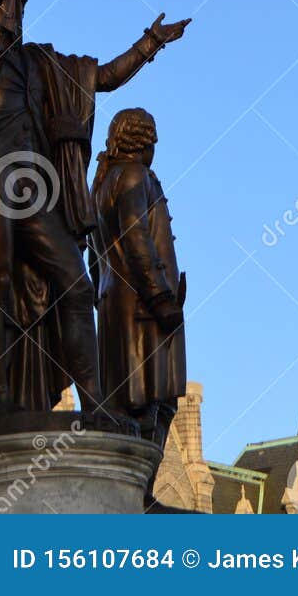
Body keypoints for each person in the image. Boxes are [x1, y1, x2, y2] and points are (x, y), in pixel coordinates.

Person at [0, 0, 190, 428]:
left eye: (19, 6)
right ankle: (1, 407)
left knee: (76, 287)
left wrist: (150, 43)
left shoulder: (42, 65)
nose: (16, 15)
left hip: (36, 187)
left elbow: (100, 78)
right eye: (8, 7)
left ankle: (95, 403)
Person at [89, 107, 185, 451]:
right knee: (151, 403)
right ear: (145, 140)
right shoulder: (132, 176)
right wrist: (161, 299)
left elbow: (93, 258)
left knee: (131, 403)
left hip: (116, 304)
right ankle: (140, 493)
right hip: (142, 308)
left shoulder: (102, 183)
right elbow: (136, 238)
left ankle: (136, 489)